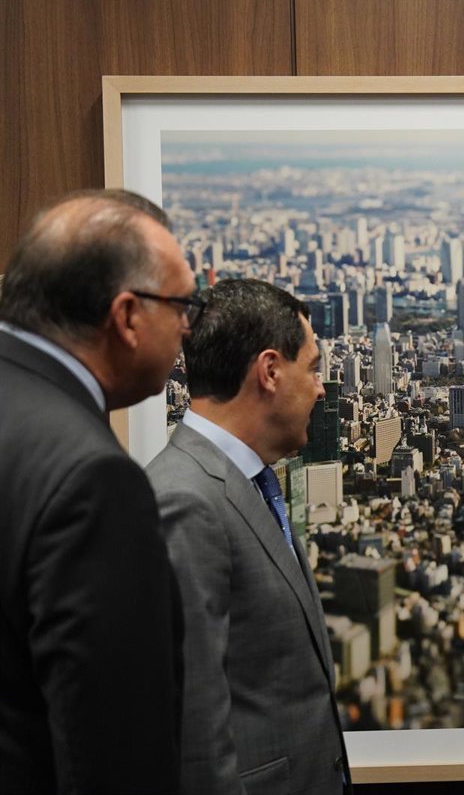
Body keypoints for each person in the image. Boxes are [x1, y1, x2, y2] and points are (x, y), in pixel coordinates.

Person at [0, 189, 193, 793]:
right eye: (182, 304)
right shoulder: (93, 480)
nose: (188, 325)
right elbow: (115, 757)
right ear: (127, 316)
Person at [146, 278, 351, 794]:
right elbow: (191, 730)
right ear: (270, 371)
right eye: (313, 368)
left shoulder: (248, 483)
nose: (321, 388)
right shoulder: (185, 501)